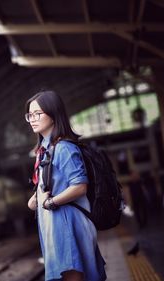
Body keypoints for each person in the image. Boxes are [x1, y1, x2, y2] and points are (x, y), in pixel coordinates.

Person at [26, 90, 106, 281]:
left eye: (38, 113)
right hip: (55, 224)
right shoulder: (44, 151)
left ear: (54, 114)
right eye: (29, 115)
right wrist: (37, 200)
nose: (32, 119)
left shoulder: (63, 148)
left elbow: (79, 186)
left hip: (68, 224)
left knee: (73, 276)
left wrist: (51, 202)